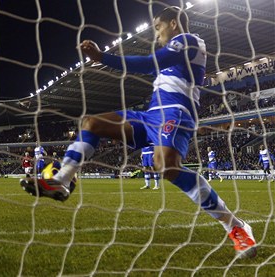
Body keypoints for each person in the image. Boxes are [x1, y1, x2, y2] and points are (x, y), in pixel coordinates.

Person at [20, 7, 256, 258]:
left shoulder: (189, 41)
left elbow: (148, 63)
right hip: (150, 113)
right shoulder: (172, 54)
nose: (156, 34)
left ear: (173, 24)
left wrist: (103, 57)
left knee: (166, 166)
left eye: (158, 27)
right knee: (91, 123)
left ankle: (236, 227)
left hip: (176, 113)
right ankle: (62, 180)